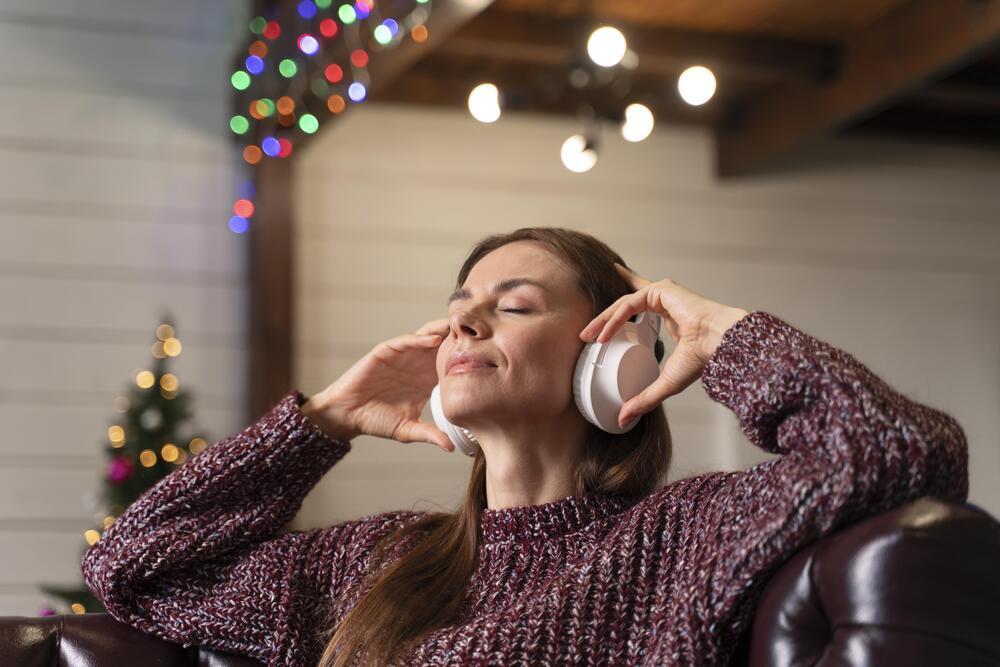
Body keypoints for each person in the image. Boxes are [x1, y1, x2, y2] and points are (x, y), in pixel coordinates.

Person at [82, 227, 969, 666]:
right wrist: (320, 421)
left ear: (609, 361)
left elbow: (900, 452)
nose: (462, 317)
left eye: (511, 303)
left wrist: (725, 336)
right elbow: (133, 565)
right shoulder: (371, 560)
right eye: (461, 302)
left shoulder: (683, 539)